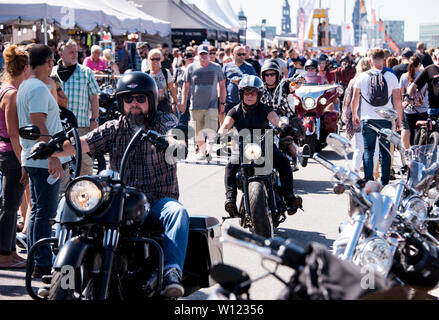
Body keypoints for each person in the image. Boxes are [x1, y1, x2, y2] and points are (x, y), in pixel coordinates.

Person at [45, 71, 189, 298]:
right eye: (128, 99)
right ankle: (59, 271)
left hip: (158, 198)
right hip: (120, 199)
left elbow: (175, 136)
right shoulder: (114, 127)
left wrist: (172, 143)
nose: (134, 104)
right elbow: (81, 143)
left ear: (150, 100)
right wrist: (50, 148)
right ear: (121, 102)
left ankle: (171, 271)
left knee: (178, 213)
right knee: (69, 201)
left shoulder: (163, 122)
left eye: (140, 99)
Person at [17, 44, 71, 278]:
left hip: (33, 157)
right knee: (44, 213)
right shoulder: (38, 87)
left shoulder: (26, 85)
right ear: (50, 62)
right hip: (42, 158)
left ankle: (36, 259)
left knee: (39, 210)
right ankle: (41, 262)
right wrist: (52, 156)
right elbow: (38, 123)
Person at [218, 75, 302, 218]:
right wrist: (220, 134)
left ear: (259, 95)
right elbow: (225, 125)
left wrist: (282, 125)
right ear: (241, 94)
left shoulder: (265, 109)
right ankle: (230, 199)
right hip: (243, 146)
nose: (250, 96)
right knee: (230, 165)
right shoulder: (235, 110)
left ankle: (289, 197)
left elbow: (275, 119)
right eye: (247, 93)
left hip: (265, 144)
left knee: (283, 162)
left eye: (253, 93)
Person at [351, 48, 403, 186]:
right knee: (385, 150)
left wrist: (355, 114)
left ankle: (369, 179)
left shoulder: (362, 77)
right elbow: (398, 100)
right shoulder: (391, 76)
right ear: (384, 60)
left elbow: (355, 99)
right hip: (385, 119)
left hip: (367, 118)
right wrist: (399, 119)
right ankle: (384, 181)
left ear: (370, 61)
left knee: (368, 150)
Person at [0, 45, 30, 269]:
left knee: (9, 204)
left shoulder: (6, 89)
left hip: (7, 152)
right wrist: (23, 163)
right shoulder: (11, 93)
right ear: (25, 68)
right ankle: (4, 254)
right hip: (11, 154)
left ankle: (10, 250)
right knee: (9, 206)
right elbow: (13, 133)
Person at [52, 39, 100, 176]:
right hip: (58, 127)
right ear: (61, 54)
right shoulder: (52, 73)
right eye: (71, 52)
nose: (75, 55)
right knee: (61, 162)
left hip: (81, 125)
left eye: (76, 52)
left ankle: (86, 192)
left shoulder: (86, 72)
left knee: (85, 162)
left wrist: (94, 120)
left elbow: (94, 98)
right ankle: (63, 194)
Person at [181, 45, 226, 160]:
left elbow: (222, 86)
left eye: (205, 54)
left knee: (211, 130)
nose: (204, 56)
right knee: (198, 132)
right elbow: (185, 87)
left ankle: (208, 152)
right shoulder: (191, 68)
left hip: (212, 105)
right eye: (201, 54)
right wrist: (183, 103)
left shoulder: (216, 67)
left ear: (209, 55)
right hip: (195, 106)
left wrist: (222, 103)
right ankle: (203, 152)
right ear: (198, 55)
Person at [400, 55, 428, 149]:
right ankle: (419, 152)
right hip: (422, 108)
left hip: (408, 109)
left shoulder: (404, 76)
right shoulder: (424, 75)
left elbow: (401, 93)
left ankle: (407, 152)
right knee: (421, 131)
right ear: (419, 64)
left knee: (406, 129)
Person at [223, 45, 257, 121]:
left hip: (245, 102)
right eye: (239, 54)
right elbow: (222, 84)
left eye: (243, 54)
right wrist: (221, 100)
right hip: (229, 101)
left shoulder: (249, 67)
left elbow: (255, 84)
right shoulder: (226, 67)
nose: (242, 56)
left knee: (243, 128)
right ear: (233, 54)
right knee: (228, 128)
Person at [146, 48, 180, 115]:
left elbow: (171, 89)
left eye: (158, 59)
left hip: (164, 106)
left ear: (161, 59)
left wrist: (177, 103)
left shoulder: (165, 72)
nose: (155, 61)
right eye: (153, 59)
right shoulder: (146, 74)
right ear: (149, 60)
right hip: (150, 106)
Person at [174, 49, 195, 144]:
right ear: (185, 59)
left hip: (194, 98)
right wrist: (173, 100)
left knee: (196, 122)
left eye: (192, 59)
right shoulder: (178, 70)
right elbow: (174, 85)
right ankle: (183, 144)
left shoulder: (195, 69)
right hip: (181, 98)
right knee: (182, 122)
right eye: (190, 59)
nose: (191, 60)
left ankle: (197, 144)